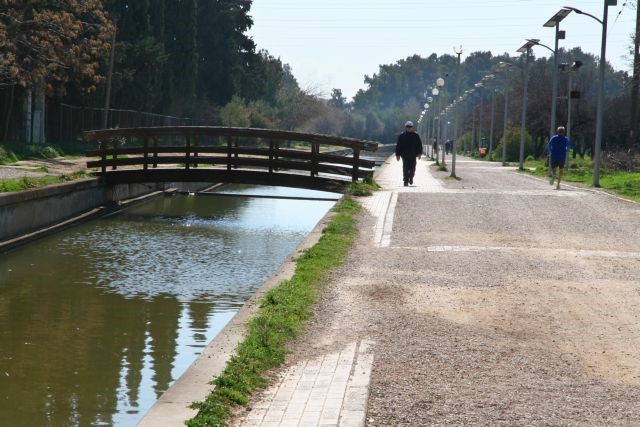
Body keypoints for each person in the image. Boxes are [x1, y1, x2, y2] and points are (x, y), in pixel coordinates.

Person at [395, 121, 423, 186]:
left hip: (413, 155)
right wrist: (397, 154)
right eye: (407, 127)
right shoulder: (402, 136)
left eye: (410, 127)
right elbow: (398, 145)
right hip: (404, 155)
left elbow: (419, 145)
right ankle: (406, 180)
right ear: (406, 127)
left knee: (413, 168)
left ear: (412, 127)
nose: (409, 128)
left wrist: (419, 153)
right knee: (405, 168)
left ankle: (411, 177)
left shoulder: (416, 135)